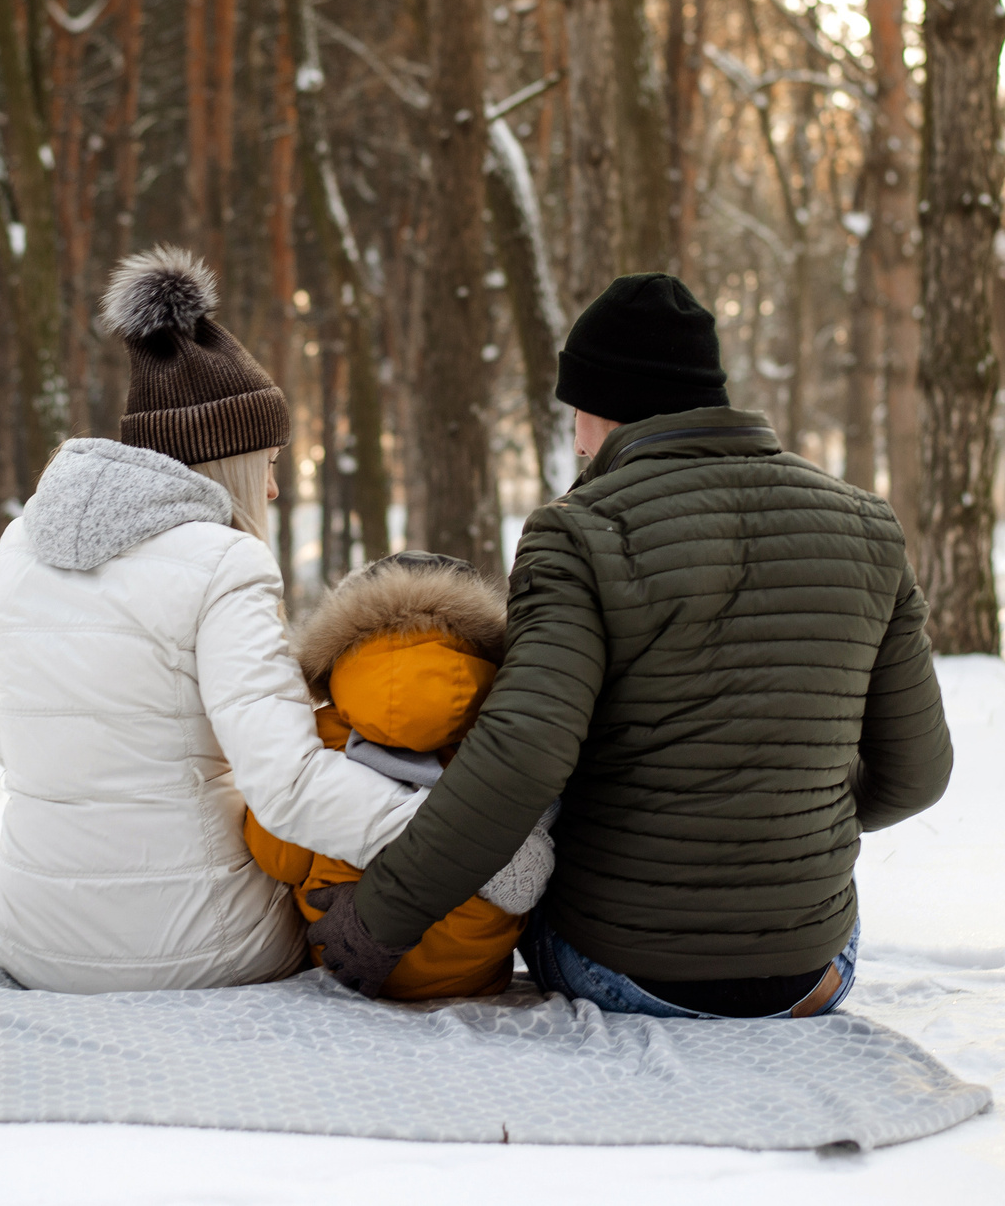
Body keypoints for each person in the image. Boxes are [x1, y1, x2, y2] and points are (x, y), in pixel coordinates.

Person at [308, 273, 954, 1019]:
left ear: (601, 407)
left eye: (575, 408)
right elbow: (919, 775)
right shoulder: (869, 526)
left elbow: (521, 758)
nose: (574, 435)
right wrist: (790, 818)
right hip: (812, 972)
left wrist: (380, 915)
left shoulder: (576, 532)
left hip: (623, 967)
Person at [0, 247, 422, 993]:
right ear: (226, 462)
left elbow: (0, 739)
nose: (274, 489)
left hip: (31, 937)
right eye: (269, 462)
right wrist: (462, 837)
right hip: (198, 946)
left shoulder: (21, 544)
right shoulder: (223, 563)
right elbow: (289, 785)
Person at [242, 551, 555, 999]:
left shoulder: (319, 735)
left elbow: (277, 854)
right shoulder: (498, 730)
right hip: (474, 970)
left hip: (342, 956)